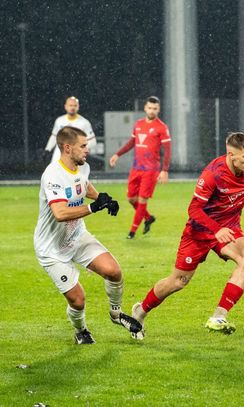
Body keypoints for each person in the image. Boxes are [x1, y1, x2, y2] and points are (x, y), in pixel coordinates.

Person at [130, 132, 244, 339]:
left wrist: (222, 228)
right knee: (178, 281)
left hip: (229, 227)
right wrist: (215, 229)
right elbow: (194, 209)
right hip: (199, 231)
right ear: (231, 155)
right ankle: (140, 311)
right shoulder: (213, 175)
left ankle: (218, 316)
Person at [34, 126, 143, 344]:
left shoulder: (82, 167)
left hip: (76, 236)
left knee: (113, 271)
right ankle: (81, 330)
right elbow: (60, 213)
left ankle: (116, 314)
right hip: (52, 249)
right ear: (67, 148)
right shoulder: (53, 175)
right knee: (78, 300)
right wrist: (93, 208)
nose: (87, 150)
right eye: (83, 146)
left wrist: (102, 198)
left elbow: (83, 185)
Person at [109, 96, 171, 239]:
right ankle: (148, 218)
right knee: (131, 199)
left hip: (151, 170)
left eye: (155, 108)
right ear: (145, 108)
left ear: (158, 110)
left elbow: (167, 150)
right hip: (136, 168)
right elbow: (132, 142)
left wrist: (164, 170)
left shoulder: (162, 127)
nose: (152, 111)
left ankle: (132, 232)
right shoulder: (138, 124)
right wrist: (117, 154)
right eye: (149, 108)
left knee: (142, 200)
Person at [44, 96, 96, 164]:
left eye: (75, 105)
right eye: (70, 105)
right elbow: (54, 136)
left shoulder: (84, 122)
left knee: (75, 171)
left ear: (78, 107)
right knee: (54, 170)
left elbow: (93, 141)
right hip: (60, 152)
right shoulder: (59, 121)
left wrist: (80, 149)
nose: (73, 107)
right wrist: (48, 149)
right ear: (65, 106)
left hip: (76, 154)